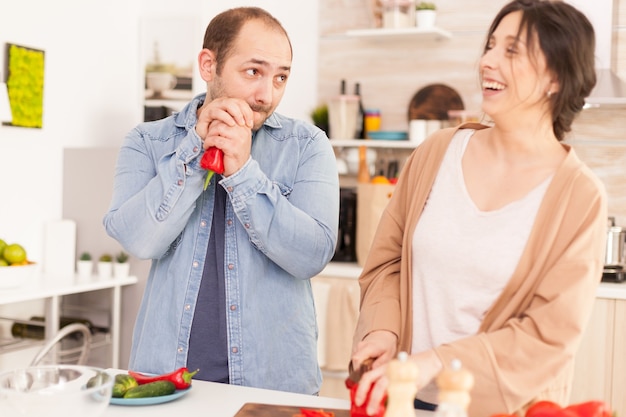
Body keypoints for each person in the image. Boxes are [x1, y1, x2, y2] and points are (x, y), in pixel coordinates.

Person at [349, 1, 607, 415]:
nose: (487, 61)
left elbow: (547, 335)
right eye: (489, 46)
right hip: (404, 399)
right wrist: (383, 331)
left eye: (511, 51)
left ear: (556, 77)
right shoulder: (436, 153)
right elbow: (388, 264)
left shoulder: (579, 197)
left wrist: (436, 361)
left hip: (505, 408)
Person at [103, 7, 339, 395]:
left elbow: (311, 255)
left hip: (274, 387)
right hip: (165, 383)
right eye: (253, 72)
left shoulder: (307, 146)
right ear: (208, 65)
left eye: (281, 77)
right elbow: (140, 240)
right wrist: (194, 150)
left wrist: (243, 171)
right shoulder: (148, 142)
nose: (268, 95)